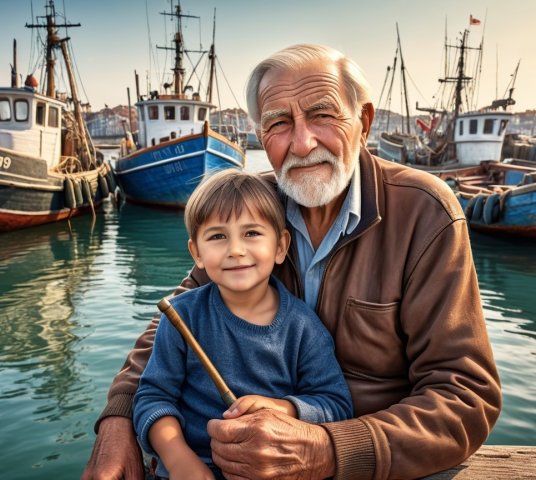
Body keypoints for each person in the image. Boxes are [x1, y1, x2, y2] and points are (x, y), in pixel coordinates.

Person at [83, 44, 501, 480]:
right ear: (261, 137)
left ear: (364, 121)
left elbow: (465, 396)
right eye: (279, 123)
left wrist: (329, 450)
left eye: (323, 115)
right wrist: (118, 420)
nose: (303, 142)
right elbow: (176, 319)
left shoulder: (424, 211)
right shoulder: (252, 208)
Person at [133, 169, 353, 480]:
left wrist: (284, 408)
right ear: (196, 252)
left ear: (280, 246)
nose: (235, 250)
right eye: (218, 236)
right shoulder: (182, 318)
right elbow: (153, 398)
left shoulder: (303, 328)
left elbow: (336, 404)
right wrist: (178, 457)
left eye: (251, 233)